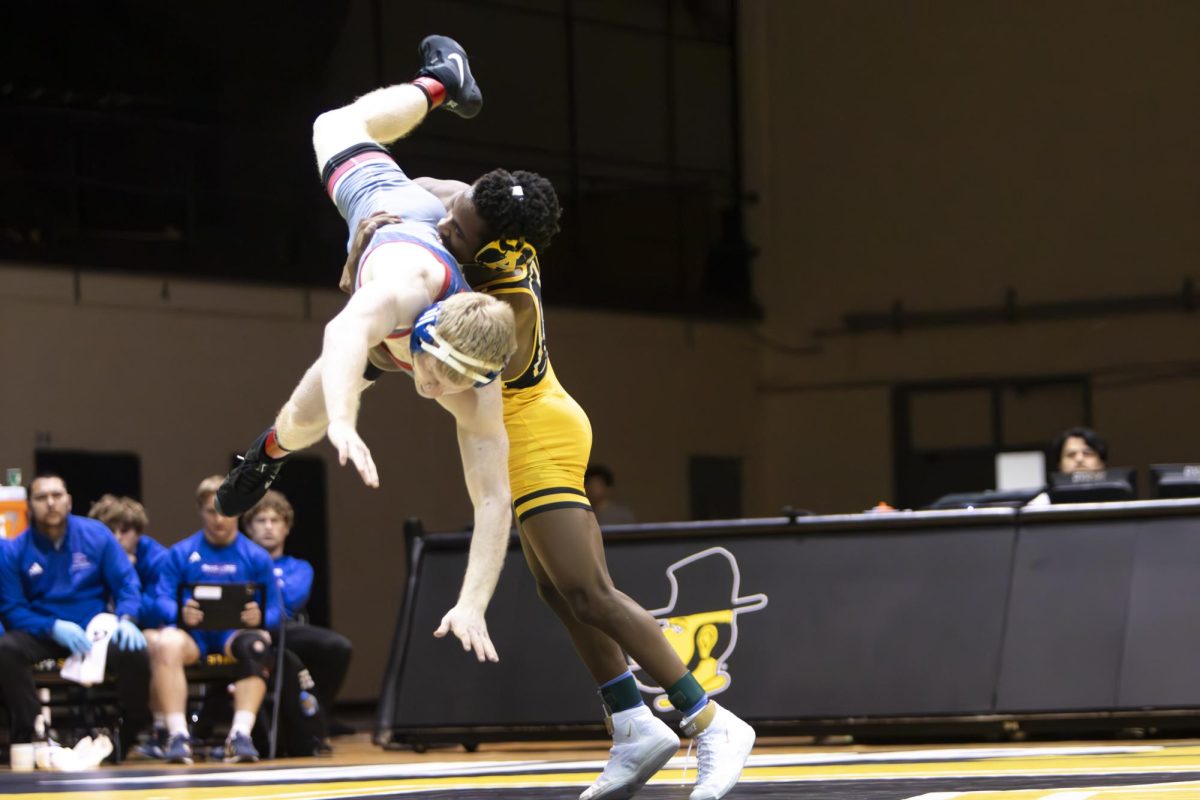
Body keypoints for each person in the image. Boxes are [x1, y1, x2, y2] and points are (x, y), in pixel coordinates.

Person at [339, 57, 755, 800]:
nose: (451, 228)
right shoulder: (477, 212)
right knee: (558, 593)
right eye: (459, 220)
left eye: (464, 231)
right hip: (541, 416)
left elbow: (435, 360)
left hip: (537, 426)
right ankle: (632, 724)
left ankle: (709, 721)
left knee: (589, 590)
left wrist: (369, 289)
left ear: (495, 239)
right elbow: (431, 195)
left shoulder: (502, 305)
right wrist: (380, 221)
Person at [213, 34, 521, 669]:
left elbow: (493, 500)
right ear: (428, 334)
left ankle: (442, 94)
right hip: (390, 216)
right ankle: (441, 83)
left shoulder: (476, 387)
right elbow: (344, 333)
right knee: (305, 420)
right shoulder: (408, 288)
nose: (433, 390)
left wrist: (472, 602)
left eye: (450, 384)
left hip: (413, 264)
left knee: (318, 411)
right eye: (434, 372)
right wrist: (346, 420)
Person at [0, 474, 150, 756]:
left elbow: (127, 583)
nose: (51, 503)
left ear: (68, 501)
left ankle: (130, 730)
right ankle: (32, 729)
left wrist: (128, 618)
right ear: (29, 505)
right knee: (5, 649)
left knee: (135, 650)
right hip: (44, 629)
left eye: (57, 495)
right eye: (42, 497)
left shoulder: (96, 535)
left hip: (94, 627)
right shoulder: (14, 550)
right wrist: (52, 626)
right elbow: (11, 609)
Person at [150, 475, 282, 764]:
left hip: (231, 636)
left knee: (258, 645)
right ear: (201, 511)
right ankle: (178, 736)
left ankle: (240, 735)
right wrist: (178, 613)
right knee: (165, 643)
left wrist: (260, 617)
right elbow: (161, 599)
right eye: (212, 511)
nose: (219, 519)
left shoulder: (256, 557)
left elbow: (275, 611)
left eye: (226, 511)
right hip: (193, 637)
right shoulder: (181, 553)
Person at [244, 490, 352, 753]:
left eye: (275, 520)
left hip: (283, 629)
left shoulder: (300, 567)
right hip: (241, 632)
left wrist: (258, 598)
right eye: (261, 520)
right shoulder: (241, 562)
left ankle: (314, 717)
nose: (268, 527)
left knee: (338, 647)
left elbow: (288, 602)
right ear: (248, 527)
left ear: (287, 528)